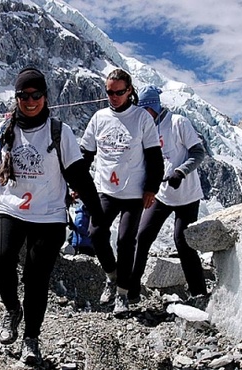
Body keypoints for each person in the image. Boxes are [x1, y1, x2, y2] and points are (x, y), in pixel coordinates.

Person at [0, 67, 104, 365]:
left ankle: (31, 337)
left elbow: (80, 176)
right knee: (0, 260)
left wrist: (98, 215)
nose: (30, 101)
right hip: (9, 207)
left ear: (45, 96)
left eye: (36, 95)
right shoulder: (3, 131)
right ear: (16, 97)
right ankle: (12, 309)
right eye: (24, 95)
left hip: (49, 214)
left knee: (36, 277)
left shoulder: (59, 132)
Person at [79, 69, 164, 316]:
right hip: (106, 189)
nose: (113, 97)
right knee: (96, 233)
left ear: (129, 91)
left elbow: (154, 157)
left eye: (119, 92)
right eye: (109, 92)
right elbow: (85, 155)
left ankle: (123, 294)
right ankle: (111, 275)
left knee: (126, 241)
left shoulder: (141, 118)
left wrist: (151, 188)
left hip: (134, 192)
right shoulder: (99, 118)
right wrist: (78, 184)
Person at [129, 85, 207, 301]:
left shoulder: (178, 122)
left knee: (182, 242)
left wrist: (181, 172)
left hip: (187, 195)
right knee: (142, 236)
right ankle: (131, 290)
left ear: (152, 107)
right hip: (162, 194)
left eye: (143, 110)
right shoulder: (145, 129)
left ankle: (199, 293)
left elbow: (198, 152)